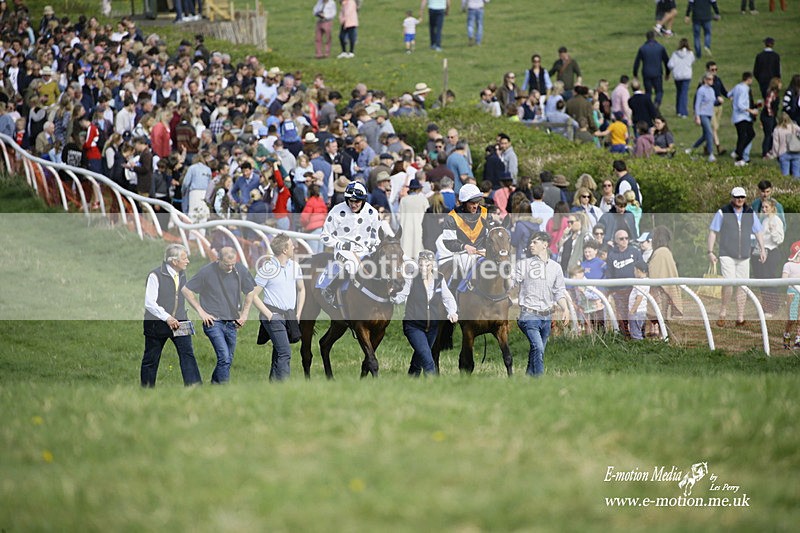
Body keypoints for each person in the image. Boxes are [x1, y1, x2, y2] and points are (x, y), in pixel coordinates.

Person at [182, 247, 256, 384]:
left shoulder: (240, 270)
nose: (230, 268)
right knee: (224, 357)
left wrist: (244, 314)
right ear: (218, 260)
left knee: (228, 359)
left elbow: (250, 291)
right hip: (213, 323)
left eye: (233, 264)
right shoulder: (207, 271)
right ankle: (223, 391)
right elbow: (186, 290)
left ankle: (215, 384)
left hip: (232, 322)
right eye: (227, 265)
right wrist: (201, 312)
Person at [141, 244, 203, 388]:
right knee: (151, 359)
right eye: (184, 258)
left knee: (188, 354)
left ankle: (195, 388)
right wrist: (167, 318)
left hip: (180, 321)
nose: (187, 261)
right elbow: (149, 303)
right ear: (174, 261)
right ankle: (146, 390)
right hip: (157, 324)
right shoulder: (154, 275)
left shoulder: (182, 274)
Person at [707, 187, 766, 328]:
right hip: (727, 253)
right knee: (728, 283)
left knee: (742, 285)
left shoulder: (750, 213)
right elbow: (713, 232)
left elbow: (758, 232)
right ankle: (723, 311)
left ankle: (740, 316)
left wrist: (762, 249)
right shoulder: (723, 212)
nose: (740, 200)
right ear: (732, 197)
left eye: (742, 197)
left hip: (744, 255)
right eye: (737, 197)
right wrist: (710, 251)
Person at [393, 250, 458, 376]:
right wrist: (392, 296)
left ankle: (411, 380)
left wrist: (452, 312)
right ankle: (433, 389)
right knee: (428, 360)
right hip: (414, 326)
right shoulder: (411, 278)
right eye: (421, 265)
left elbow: (447, 298)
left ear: (432, 265)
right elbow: (402, 295)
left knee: (419, 358)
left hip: (432, 328)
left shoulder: (439, 279)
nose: (424, 268)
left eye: (427, 265)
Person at [514, 231, 569, 377]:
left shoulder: (556, 268)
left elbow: (559, 292)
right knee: (538, 348)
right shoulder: (524, 264)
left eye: (535, 242)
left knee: (538, 350)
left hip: (547, 317)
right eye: (530, 242)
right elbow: (511, 282)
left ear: (545, 245)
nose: (531, 245)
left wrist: (566, 309)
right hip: (528, 315)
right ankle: (540, 382)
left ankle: (528, 379)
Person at [252, 234, 305, 381]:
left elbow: (301, 289)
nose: (294, 247)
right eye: (291, 245)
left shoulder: (295, 266)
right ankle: (283, 389)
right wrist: (269, 315)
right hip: (273, 316)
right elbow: (253, 294)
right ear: (284, 249)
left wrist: (298, 314)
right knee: (285, 352)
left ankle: (273, 388)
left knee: (278, 352)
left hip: (289, 316)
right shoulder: (267, 268)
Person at [320, 181, 381, 305]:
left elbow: (377, 237)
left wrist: (374, 245)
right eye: (350, 201)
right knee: (352, 265)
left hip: (366, 249)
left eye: (357, 201)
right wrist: (341, 245)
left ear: (363, 200)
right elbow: (324, 236)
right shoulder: (337, 211)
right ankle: (330, 290)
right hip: (343, 250)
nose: (353, 204)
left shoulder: (372, 213)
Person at [436, 183, 488, 274]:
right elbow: (449, 242)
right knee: (466, 269)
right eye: (472, 203)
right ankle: (461, 288)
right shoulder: (452, 217)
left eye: (477, 202)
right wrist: (464, 246)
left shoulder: (485, 213)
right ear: (464, 203)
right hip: (462, 254)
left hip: (483, 252)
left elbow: (491, 235)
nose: (475, 206)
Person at [605, 228, 643, 337]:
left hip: (633, 290)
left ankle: (638, 336)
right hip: (619, 290)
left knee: (635, 313)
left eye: (626, 238)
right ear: (616, 241)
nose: (624, 240)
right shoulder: (612, 255)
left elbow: (642, 268)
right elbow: (610, 273)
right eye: (621, 239)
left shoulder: (634, 252)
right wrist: (612, 291)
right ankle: (624, 337)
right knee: (621, 315)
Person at [751, 198, 784, 315]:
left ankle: (772, 308)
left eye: (766, 207)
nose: (764, 209)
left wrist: (773, 230)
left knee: (769, 280)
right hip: (761, 252)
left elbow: (779, 239)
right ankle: (766, 307)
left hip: (771, 253)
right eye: (763, 207)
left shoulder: (776, 220)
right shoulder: (764, 220)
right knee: (762, 281)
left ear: (772, 208)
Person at [648, 226, 682, 336]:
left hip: (660, 290)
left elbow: (655, 271)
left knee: (660, 316)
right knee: (661, 316)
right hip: (664, 289)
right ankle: (664, 336)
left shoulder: (661, 252)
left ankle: (664, 337)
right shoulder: (666, 252)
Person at [728, 72, 759, 166]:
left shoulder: (737, 86)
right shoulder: (744, 89)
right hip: (743, 116)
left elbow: (729, 94)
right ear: (749, 79)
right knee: (745, 136)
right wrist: (751, 111)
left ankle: (738, 153)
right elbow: (740, 104)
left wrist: (734, 98)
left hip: (738, 117)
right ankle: (738, 156)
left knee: (747, 135)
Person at [632, 30, 670, 107]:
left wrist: (635, 73)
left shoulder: (642, 48)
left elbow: (637, 62)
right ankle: (656, 103)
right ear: (654, 37)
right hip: (657, 73)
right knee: (659, 91)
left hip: (646, 73)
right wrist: (667, 72)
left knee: (648, 92)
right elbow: (666, 61)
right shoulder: (660, 47)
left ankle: (649, 106)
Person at [686, 70, 717, 162]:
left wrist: (718, 101)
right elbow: (697, 104)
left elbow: (712, 101)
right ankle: (711, 154)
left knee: (705, 135)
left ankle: (692, 149)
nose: (711, 81)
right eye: (709, 79)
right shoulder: (701, 90)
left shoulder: (712, 90)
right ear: (705, 80)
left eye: (712, 79)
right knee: (710, 133)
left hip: (709, 114)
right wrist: (697, 116)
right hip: (702, 114)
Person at [667, 38, 695, 118]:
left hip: (677, 76)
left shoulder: (675, 54)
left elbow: (670, 65)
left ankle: (679, 110)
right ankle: (683, 112)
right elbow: (692, 61)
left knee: (679, 93)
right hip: (686, 76)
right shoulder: (690, 54)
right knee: (684, 93)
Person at [767, 113, 800, 177]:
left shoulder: (777, 130)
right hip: (796, 152)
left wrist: (775, 154)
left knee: (785, 174)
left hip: (783, 152)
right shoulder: (794, 127)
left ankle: (785, 185)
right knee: (797, 174)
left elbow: (775, 144)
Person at [781, 241, 800, 349]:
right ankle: (787, 335)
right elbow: (784, 279)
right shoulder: (788, 265)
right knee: (791, 319)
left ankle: (798, 338)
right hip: (792, 293)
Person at [628, 261, 650, 341]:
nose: (634, 272)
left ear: (638, 271)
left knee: (636, 333)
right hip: (641, 311)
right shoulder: (645, 281)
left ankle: (638, 349)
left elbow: (639, 298)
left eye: (634, 270)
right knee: (640, 332)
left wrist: (632, 311)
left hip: (637, 312)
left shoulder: (641, 282)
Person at [760, 77, 782, 157]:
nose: (781, 85)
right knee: (768, 134)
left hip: (772, 117)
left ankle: (771, 150)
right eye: (779, 83)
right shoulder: (771, 93)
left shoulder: (775, 93)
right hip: (768, 117)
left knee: (773, 133)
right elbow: (768, 104)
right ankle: (765, 152)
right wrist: (771, 114)